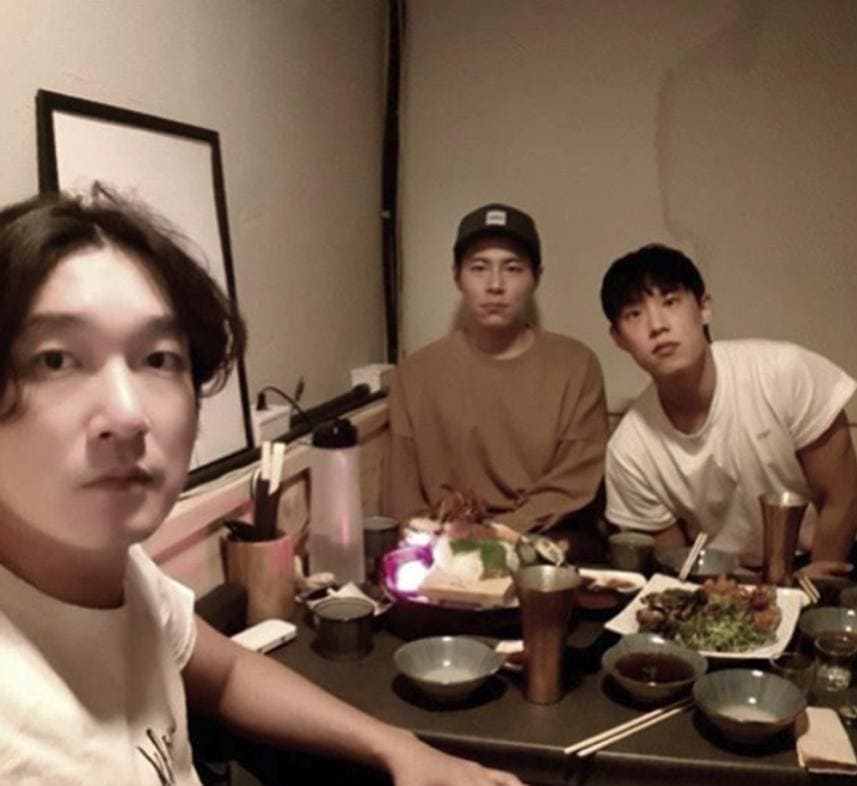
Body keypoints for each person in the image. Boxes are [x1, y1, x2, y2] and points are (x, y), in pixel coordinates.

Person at [0, 190, 523, 786]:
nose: (127, 414)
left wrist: (400, 749)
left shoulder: (113, 569)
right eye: (56, 360)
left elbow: (226, 672)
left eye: (158, 358)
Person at [600, 243, 857, 576]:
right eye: (634, 314)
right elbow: (674, 559)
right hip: (718, 578)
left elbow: (843, 495)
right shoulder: (629, 450)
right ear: (618, 338)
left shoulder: (784, 373)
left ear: (704, 307)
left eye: (670, 302)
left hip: (816, 561)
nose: (657, 325)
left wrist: (816, 583)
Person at [384, 203, 608, 555]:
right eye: (479, 268)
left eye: (513, 268)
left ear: (536, 277)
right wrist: (439, 543)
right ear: (457, 277)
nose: (495, 285)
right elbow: (402, 499)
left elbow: (574, 482)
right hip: (444, 548)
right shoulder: (415, 374)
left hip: (541, 543)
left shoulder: (576, 365)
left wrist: (499, 534)